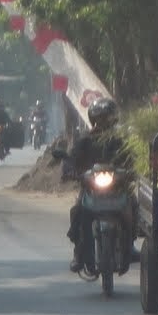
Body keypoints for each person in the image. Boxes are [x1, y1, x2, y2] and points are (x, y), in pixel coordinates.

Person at [67, 98, 135, 273]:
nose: (104, 122)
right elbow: (72, 159)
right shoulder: (85, 139)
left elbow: (132, 157)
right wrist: (71, 171)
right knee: (77, 211)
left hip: (118, 186)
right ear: (93, 119)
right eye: (100, 118)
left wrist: (132, 170)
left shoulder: (121, 140)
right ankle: (79, 253)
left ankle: (130, 243)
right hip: (91, 187)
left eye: (107, 118)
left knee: (133, 206)